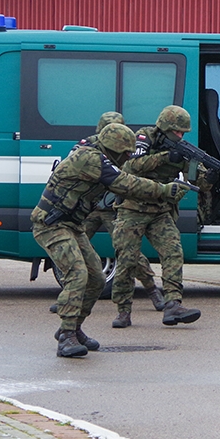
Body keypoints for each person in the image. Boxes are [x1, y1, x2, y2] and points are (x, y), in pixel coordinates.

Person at [31, 123, 189, 358]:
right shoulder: (90, 158)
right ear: (114, 149)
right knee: (77, 273)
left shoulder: (97, 152)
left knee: (96, 277)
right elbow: (125, 183)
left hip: (72, 225)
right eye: (125, 153)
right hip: (51, 225)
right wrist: (164, 190)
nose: (127, 157)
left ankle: (74, 327)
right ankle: (66, 335)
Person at [48, 111, 165, 315]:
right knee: (71, 250)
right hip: (91, 209)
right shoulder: (87, 146)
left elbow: (128, 178)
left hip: (113, 207)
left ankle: (153, 290)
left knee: (129, 252)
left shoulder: (126, 149)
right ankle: (69, 297)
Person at [111, 105, 202, 328]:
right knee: (127, 261)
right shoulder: (144, 137)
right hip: (132, 209)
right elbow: (130, 166)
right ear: (164, 127)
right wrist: (165, 157)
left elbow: (195, 178)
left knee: (173, 252)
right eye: (177, 131)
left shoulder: (181, 148)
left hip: (160, 211)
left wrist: (205, 174)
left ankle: (173, 305)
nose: (180, 136)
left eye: (183, 133)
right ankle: (123, 311)